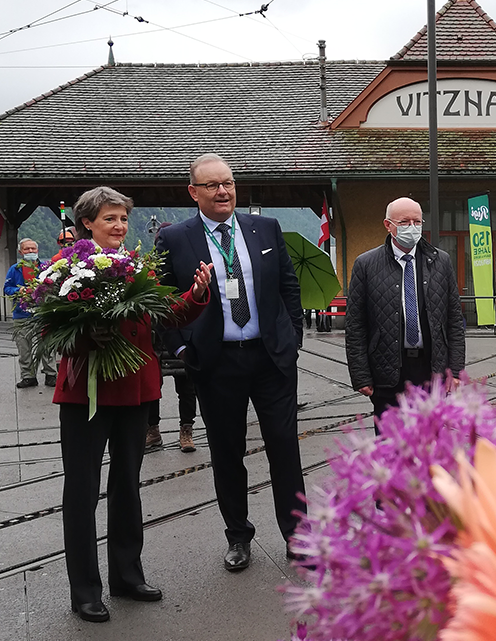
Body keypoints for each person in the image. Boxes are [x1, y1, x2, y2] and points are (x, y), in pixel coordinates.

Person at [53, 186, 212, 623]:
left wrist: (197, 293)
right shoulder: (65, 267)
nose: (119, 226)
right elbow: (54, 331)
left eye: (123, 218)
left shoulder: (138, 266)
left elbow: (168, 313)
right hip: (86, 394)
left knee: (127, 485)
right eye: (110, 218)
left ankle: (127, 576)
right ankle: (85, 590)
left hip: (134, 389)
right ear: (87, 223)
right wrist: (88, 336)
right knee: (82, 491)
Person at [157, 153, 306, 572]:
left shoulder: (266, 228)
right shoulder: (175, 239)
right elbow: (162, 301)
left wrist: (292, 338)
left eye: (228, 183)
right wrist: (181, 349)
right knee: (226, 453)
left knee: (285, 448)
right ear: (194, 192)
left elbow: (288, 286)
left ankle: (298, 535)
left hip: (271, 358)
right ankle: (238, 536)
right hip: (216, 362)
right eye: (212, 185)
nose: (223, 191)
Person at [345, 197, 466, 424]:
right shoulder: (366, 265)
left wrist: (456, 370)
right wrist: (360, 375)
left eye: (417, 222)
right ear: (388, 225)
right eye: (404, 222)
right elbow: (355, 325)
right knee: (390, 438)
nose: (412, 227)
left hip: (431, 368)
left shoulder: (441, 262)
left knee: (431, 437)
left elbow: (454, 320)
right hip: (387, 369)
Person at [145, 222, 200, 453]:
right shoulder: (148, 268)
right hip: (155, 336)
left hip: (180, 330)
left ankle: (186, 431)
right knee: (152, 387)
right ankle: (152, 430)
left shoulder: (186, 265)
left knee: (186, 388)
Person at [4, 238, 57, 388]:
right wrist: (19, 290)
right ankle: (28, 376)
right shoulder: (14, 269)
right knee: (24, 348)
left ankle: (51, 374)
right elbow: (7, 288)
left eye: (33, 248)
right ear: (20, 252)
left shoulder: (46, 268)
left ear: (37, 250)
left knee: (47, 346)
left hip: (42, 313)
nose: (30, 251)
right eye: (27, 249)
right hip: (21, 314)